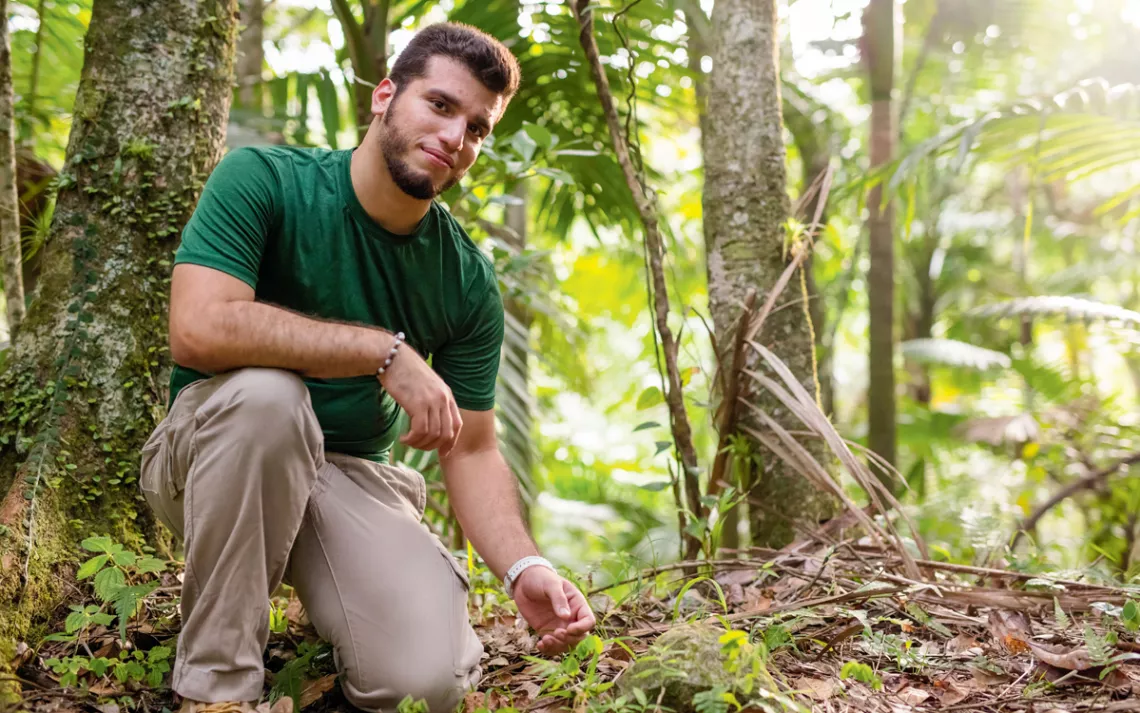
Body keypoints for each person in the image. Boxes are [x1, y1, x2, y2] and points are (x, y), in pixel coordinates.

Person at [139, 22, 596, 713]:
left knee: (427, 682)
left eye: (476, 128)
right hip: (212, 453)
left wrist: (524, 566)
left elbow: (471, 447)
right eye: (440, 106)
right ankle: (216, 691)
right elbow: (197, 329)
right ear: (385, 96)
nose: (455, 137)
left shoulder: (465, 279)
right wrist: (379, 351)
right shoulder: (264, 180)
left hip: (345, 479)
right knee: (268, 398)